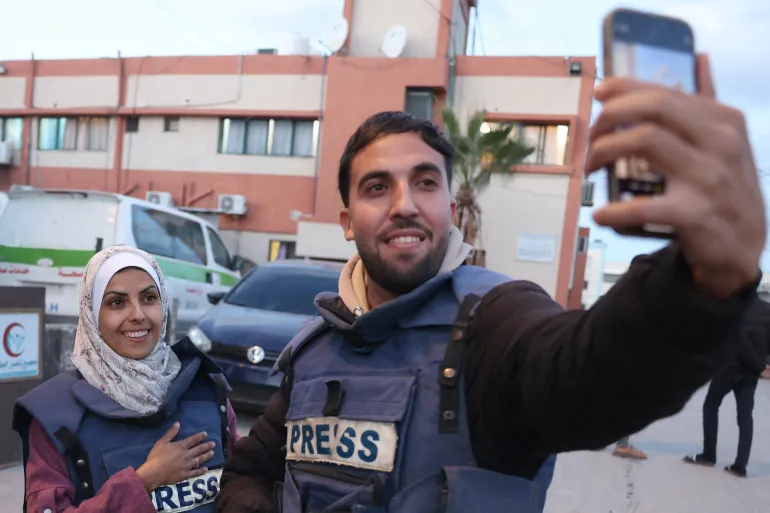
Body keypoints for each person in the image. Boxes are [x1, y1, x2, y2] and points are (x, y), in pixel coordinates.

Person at [216, 60, 765, 513]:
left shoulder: (494, 319)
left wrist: (698, 284)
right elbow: (249, 471)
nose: (404, 204)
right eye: (377, 187)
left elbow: (593, 371)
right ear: (346, 221)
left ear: (450, 209)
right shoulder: (314, 349)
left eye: (424, 182)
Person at [13, 246, 239, 512]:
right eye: (117, 302)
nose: (138, 314)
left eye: (149, 298)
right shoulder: (56, 416)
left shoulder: (206, 391)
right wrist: (145, 481)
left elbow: (245, 480)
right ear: (91, 314)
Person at [683, 299, 770, 477]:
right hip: (750, 373)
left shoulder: (735, 306)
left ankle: (709, 455)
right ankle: (740, 466)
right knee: (745, 417)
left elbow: (738, 340)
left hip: (729, 368)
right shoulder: (767, 310)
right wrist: (761, 364)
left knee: (711, 405)